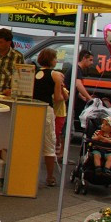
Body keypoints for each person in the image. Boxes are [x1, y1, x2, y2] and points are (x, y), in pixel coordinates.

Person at [32, 48, 63, 186]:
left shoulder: (33, 72)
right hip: (47, 110)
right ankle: (50, 177)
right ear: (51, 60)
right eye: (55, 58)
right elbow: (58, 98)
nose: (56, 61)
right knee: (49, 143)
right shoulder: (55, 75)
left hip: (31, 109)